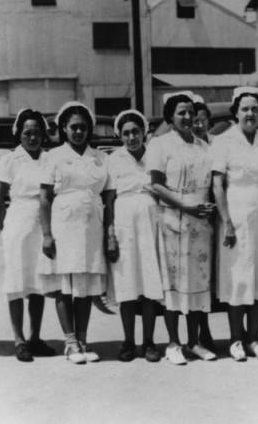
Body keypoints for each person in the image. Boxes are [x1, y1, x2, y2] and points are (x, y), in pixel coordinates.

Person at [148, 92, 216, 365]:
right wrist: (186, 206)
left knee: (197, 283)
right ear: (170, 118)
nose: (188, 118)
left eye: (190, 112)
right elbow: (155, 184)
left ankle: (195, 342)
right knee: (174, 285)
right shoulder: (160, 145)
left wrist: (206, 208)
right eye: (181, 113)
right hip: (174, 219)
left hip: (200, 223)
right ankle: (174, 343)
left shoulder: (204, 146)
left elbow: (210, 184)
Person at [39, 101, 108, 364]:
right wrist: (46, 234)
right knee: (65, 287)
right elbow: (44, 197)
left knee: (85, 287)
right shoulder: (54, 157)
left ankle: (83, 339)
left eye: (83, 127)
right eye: (73, 127)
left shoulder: (100, 157)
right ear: (64, 129)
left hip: (91, 226)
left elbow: (108, 194)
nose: (78, 132)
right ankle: (70, 343)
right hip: (63, 226)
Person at [211, 86, 258, 362]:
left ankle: (254, 338)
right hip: (235, 214)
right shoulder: (223, 142)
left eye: (255, 109)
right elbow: (216, 185)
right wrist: (226, 223)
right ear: (235, 113)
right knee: (237, 276)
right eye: (245, 109)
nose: (250, 113)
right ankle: (236, 338)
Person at [0, 109, 56, 362]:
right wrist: (4, 225)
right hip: (18, 221)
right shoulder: (10, 160)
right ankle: (19, 339)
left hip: (42, 223)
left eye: (37, 133)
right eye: (27, 133)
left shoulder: (49, 159)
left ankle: (35, 337)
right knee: (17, 284)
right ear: (19, 134)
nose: (32, 138)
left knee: (38, 283)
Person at [104, 109, 164, 362]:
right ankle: (128, 341)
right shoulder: (114, 159)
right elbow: (108, 200)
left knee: (149, 285)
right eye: (126, 133)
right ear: (120, 135)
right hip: (123, 227)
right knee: (127, 286)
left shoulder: (155, 155)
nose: (131, 138)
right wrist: (110, 235)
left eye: (135, 132)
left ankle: (149, 341)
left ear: (144, 133)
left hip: (151, 225)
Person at [191, 97, 216, 352]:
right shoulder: (191, 148)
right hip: (198, 216)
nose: (198, 125)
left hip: (219, 215)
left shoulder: (217, 145)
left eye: (202, 120)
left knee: (217, 277)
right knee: (199, 276)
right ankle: (201, 330)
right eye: (194, 120)